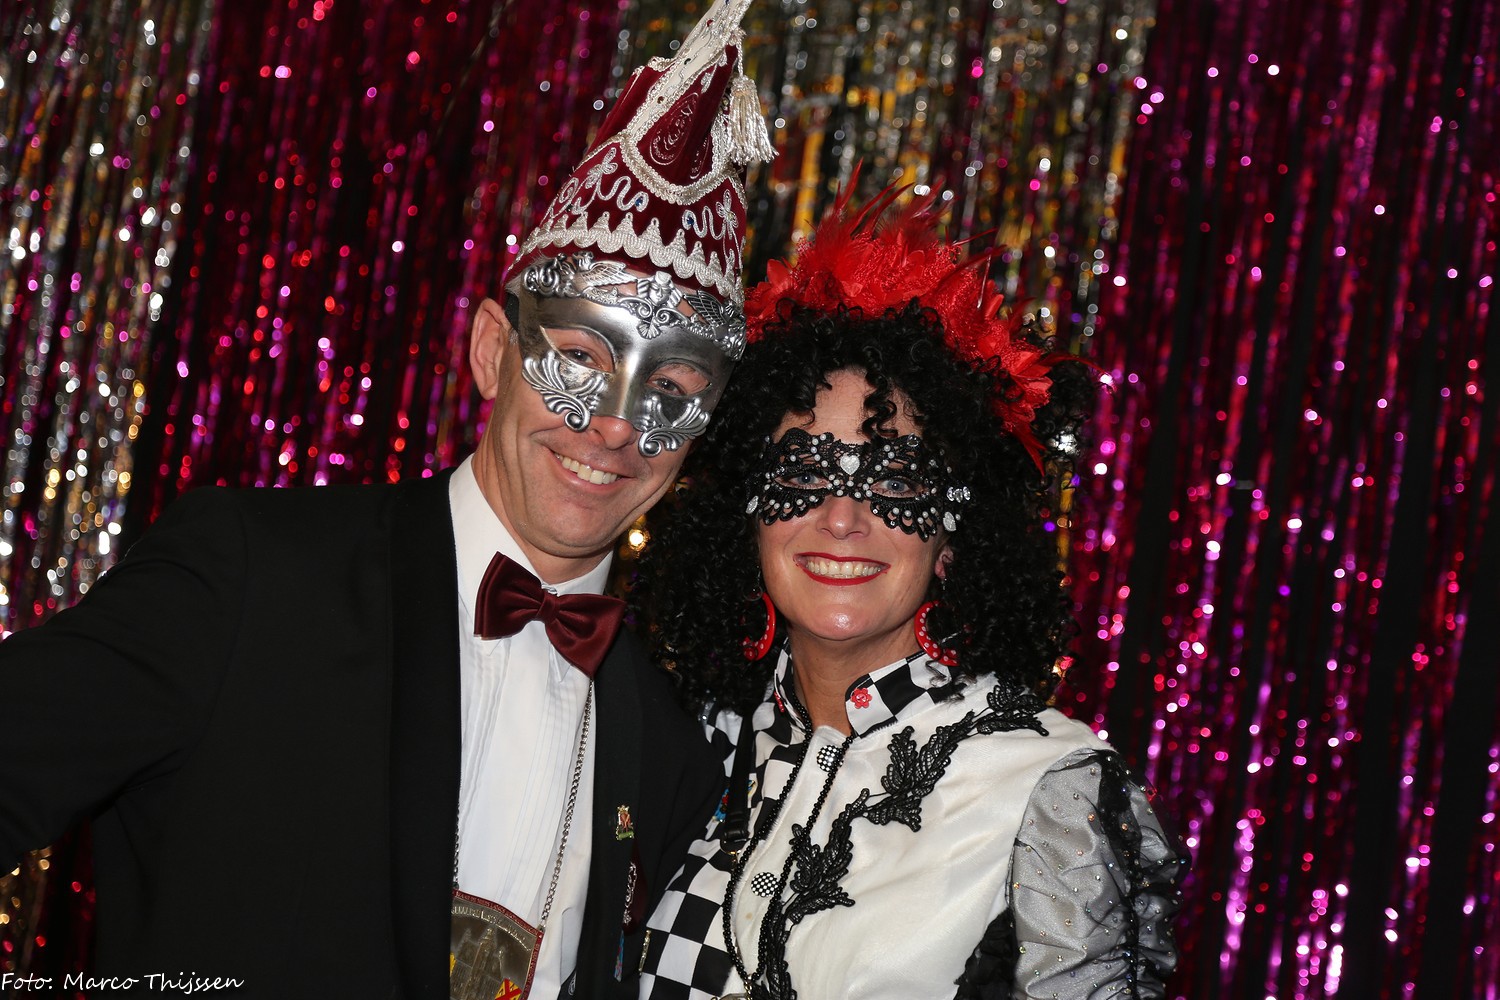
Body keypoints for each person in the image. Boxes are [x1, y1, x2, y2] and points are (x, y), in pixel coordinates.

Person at [0, 2, 773, 997]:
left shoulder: (668, 744)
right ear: (491, 351)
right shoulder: (251, 577)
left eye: (669, 390)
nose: (617, 428)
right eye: (580, 359)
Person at [631, 187, 1187, 999]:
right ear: (748, 510)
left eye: (895, 482)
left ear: (954, 536)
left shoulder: (1047, 791)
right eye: (803, 474)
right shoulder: (684, 738)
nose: (842, 519)